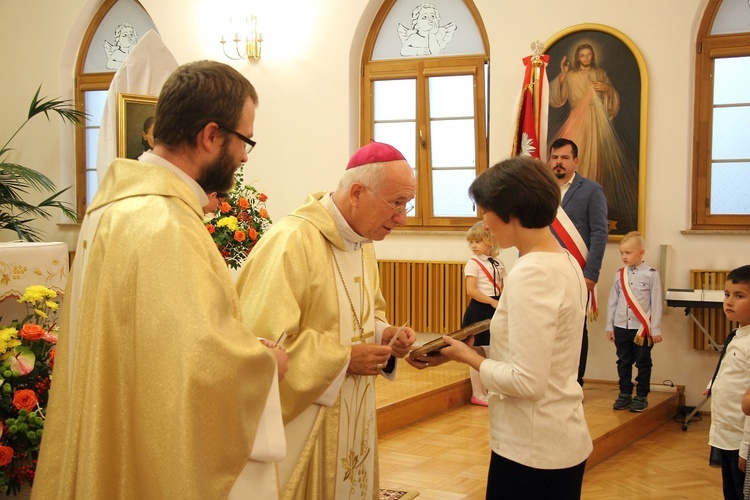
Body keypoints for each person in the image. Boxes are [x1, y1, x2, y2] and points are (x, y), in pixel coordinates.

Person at [33, 60, 288, 499]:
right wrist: (262, 363)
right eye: (245, 139)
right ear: (211, 136)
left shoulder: (114, 207)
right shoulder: (163, 222)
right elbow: (197, 361)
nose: (246, 156)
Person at [236, 141, 418, 499]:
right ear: (356, 193)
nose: (402, 217)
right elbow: (259, 346)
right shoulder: (291, 241)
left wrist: (385, 333)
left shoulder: (362, 242)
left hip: (353, 413)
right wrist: (345, 358)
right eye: (396, 203)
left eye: (406, 204)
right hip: (306, 424)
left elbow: (364, 313)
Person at [409, 156, 592, 499]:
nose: (485, 223)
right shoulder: (564, 260)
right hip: (554, 438)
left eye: (485, 211)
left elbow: (527, 381)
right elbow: (536, 355)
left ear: (510, 211)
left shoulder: (532, 272)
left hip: (533, 447)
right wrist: (460, 352)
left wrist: (469, 357)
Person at [548, 43, 637, 220]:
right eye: (582, 55)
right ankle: (569, 200)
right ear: (577, 58)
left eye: (589, 55)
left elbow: (611, 95)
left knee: (595, 157)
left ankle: (590, 201)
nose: (586, 58)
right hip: (577, 118)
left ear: (592, 56)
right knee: (570, 156)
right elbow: (556, 97)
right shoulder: (571, 75)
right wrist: (563, 74)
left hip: (596, 119)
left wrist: (607, 90)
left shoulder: (600, 74)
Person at [547, 137, 608, 387]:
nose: (558, 162)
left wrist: (591, 273)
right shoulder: (541, 188)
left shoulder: (591, 190)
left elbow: (599, 232)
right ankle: (548, 381)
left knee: (574, 329)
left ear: (575, 161)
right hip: (545, 271)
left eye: (564, 157)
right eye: (554, 157)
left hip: (576, 273)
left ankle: (574, 383)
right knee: (544, 327)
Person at [705, 265, 750, 500]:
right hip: (726, 435)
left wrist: (746, 448)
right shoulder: (736, 334)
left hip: (743, 439)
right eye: (726, 294)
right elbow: (729, 366)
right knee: (730, 492)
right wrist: (714, 382)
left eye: (739, 296)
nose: (729, 302)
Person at [605, 231, 663, 412]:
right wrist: (610, 325)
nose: (624, 256)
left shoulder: (651, 275)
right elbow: (612, 301)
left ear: (641, 252)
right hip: (621, 326)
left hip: (641, 329)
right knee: (623, 361)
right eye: (622, 253)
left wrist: (655, 329)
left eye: (628, 253)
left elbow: (656, 302)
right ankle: (624, 394)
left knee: (643, 362)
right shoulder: (620, 274)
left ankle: (641, 395)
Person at [462, 221, 504, 407]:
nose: (473, 246)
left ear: (490, 241)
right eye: (471, 242)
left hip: (495, 307)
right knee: (477, 352)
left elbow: (502, 286)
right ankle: (477, 393)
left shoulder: (498, 263)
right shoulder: (473, 264)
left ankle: (491, 390)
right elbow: (471, 290)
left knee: (492, 351)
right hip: (480, 308)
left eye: (477, 241)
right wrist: (491, 301)